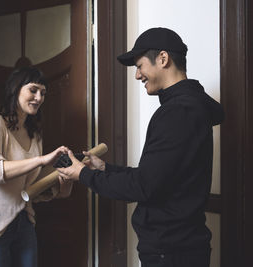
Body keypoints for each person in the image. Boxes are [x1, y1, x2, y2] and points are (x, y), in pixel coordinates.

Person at [57, 27, 224, 267]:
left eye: (140, 66)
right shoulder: (188, 108)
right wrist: (105, 168)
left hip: (171, 252)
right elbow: (156, 178)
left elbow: (143, 187)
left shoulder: (177, 112)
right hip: (178, 248)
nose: (137, 75)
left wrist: (82, 174)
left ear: (163, 59)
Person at [0, 67, 73, 267]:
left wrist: (65, 177)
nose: (39, 97)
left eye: (43, 93)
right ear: (15, 89)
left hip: (24, 221)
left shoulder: (34, 134)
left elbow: (29, 186)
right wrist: (40, 160)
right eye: (33, 90)